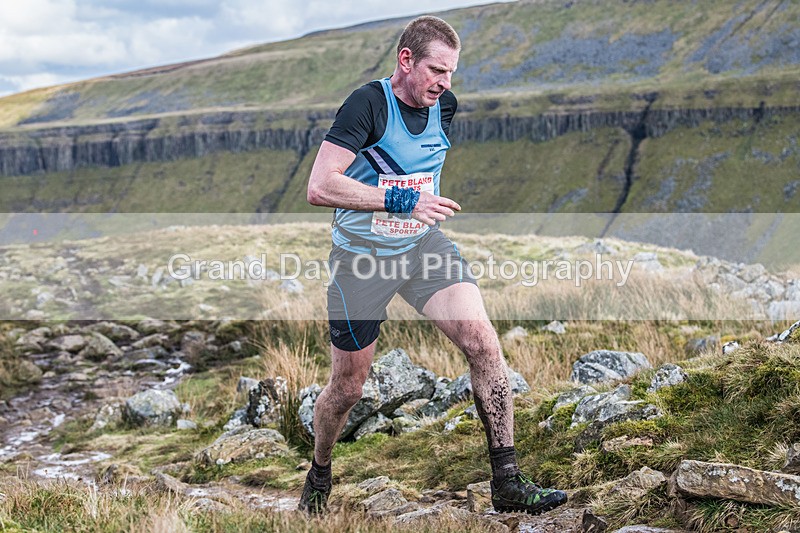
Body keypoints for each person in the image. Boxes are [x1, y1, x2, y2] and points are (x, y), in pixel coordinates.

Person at [299, 15, 567, 516]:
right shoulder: (368, 104)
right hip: (362, 261)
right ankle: (320, 471)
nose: (445, 84)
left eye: (452, 73)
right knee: (348, 388)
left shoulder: (445, 106)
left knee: (482, 341)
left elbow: (421, 170)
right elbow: (320, 186)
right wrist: (400, 202)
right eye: (436, 70)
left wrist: (417, 212)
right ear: (406, 60)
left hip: (423, 250)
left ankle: (507, 481)